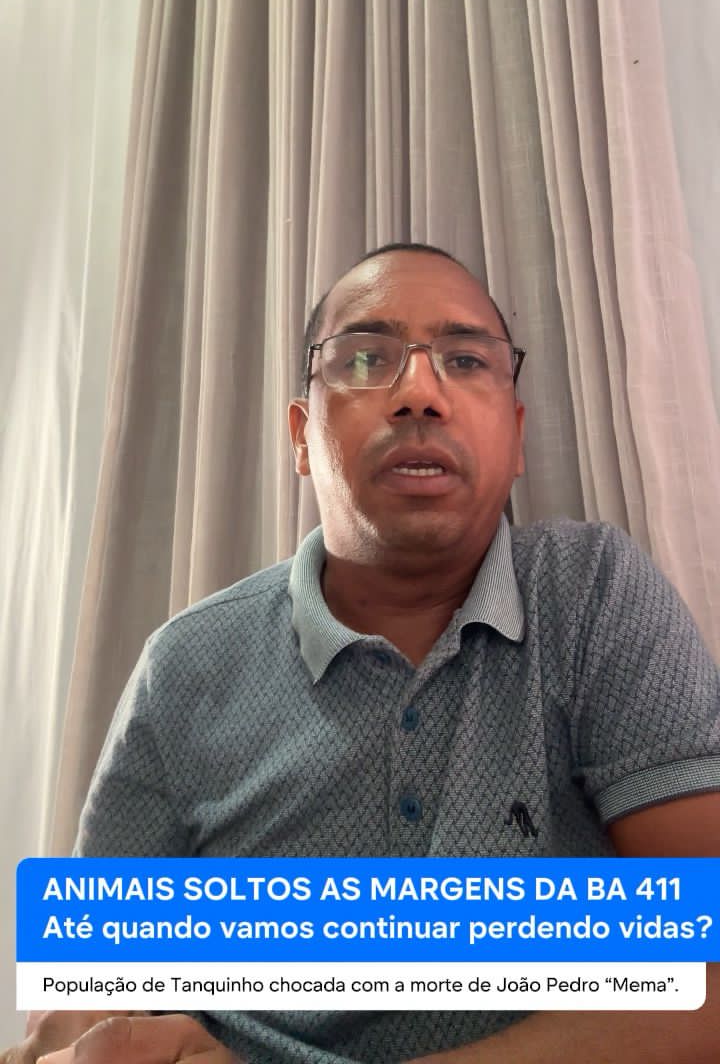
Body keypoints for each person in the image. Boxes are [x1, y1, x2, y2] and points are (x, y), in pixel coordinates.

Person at [6, 243, 720, 1064]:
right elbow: (92, 987)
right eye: (365, 359)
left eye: (465, 360)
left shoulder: (591, 592)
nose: (420, 392)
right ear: (301, 436)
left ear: (518, 437)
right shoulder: (185, 666)